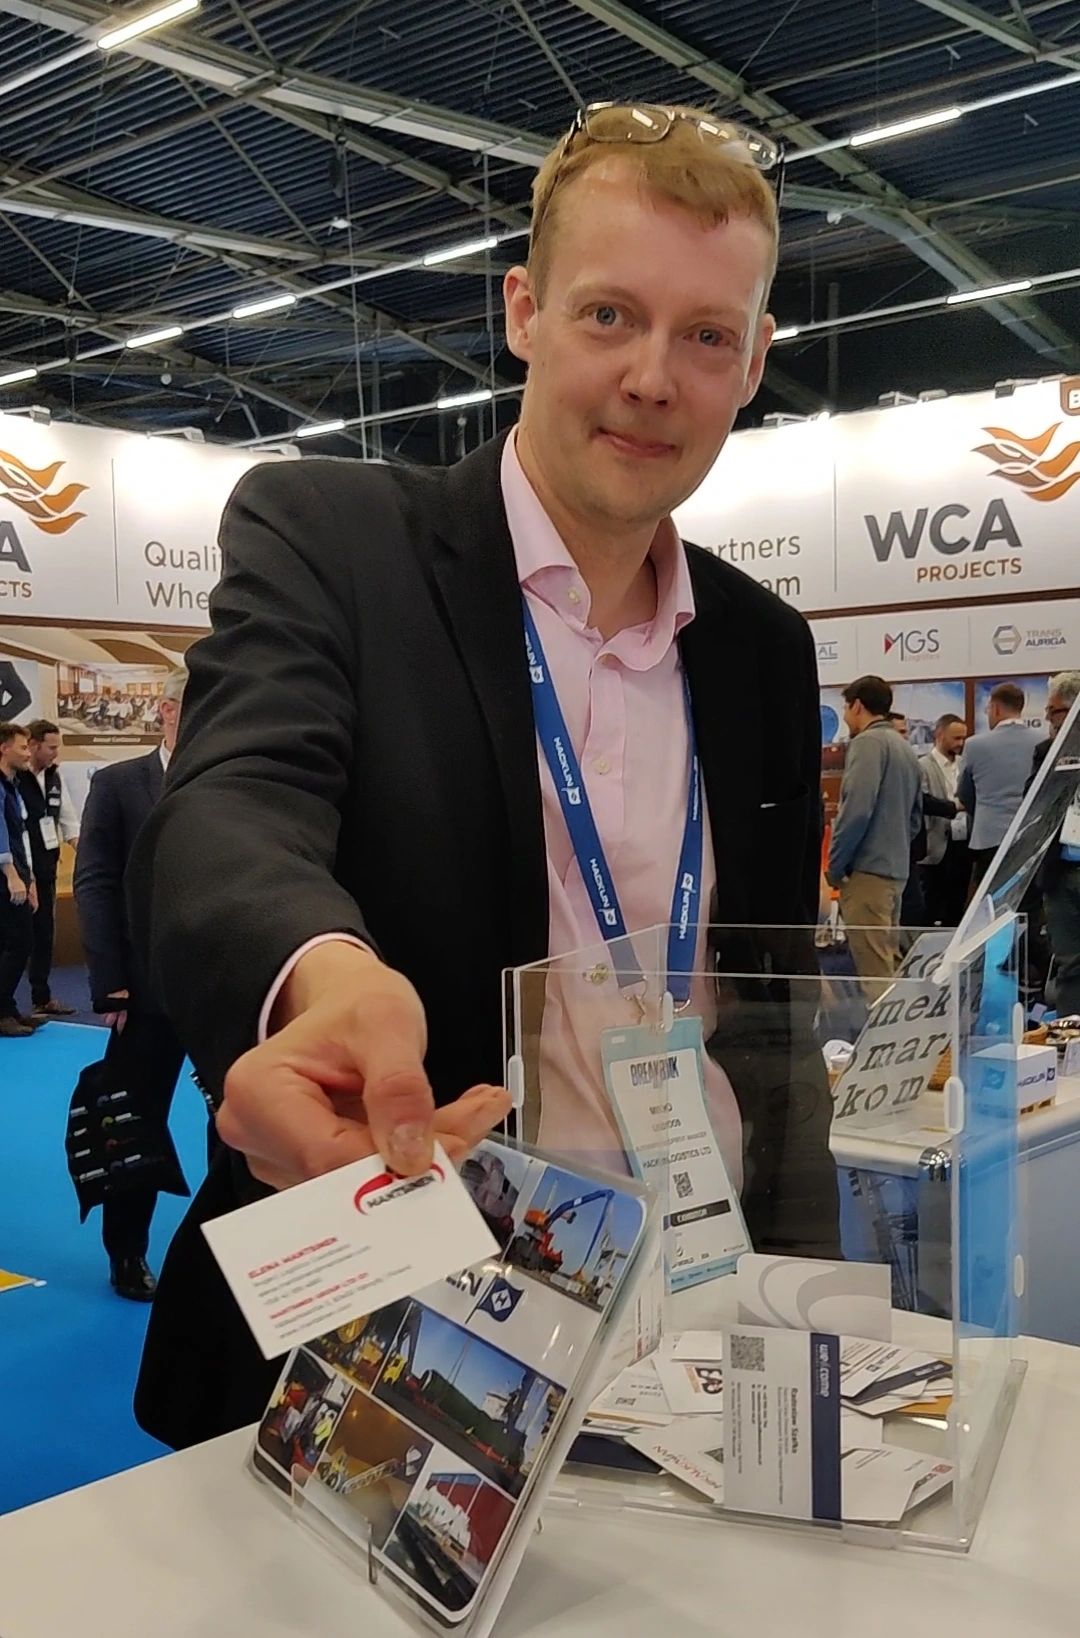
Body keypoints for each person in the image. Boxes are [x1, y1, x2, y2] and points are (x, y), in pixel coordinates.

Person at [127, 100, 837, 1451]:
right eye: (610, 315)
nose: (653, 378)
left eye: (706, 335)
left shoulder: (763, 645)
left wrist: (807, 1301)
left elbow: (768, 1010)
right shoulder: (333, 538)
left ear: (754, 362)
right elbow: (232, 807)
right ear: (524, 312)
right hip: (406, 1332)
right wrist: (328, 978)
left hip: (700, 1324)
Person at [73, 671, 189, 1301]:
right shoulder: (118, 784)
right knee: (133, 1123)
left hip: (225, 986)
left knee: (240, 1124)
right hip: (142, 991)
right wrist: (110, 982)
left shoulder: (234, 777)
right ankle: (127, 1253)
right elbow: (94, 882)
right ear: (166, 711)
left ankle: (229, 1253)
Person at [827, 677, 921, 997]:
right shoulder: (904, 747)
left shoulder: (868, 743)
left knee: (875, 974)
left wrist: (836, 866)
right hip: (895, 871)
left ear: (857, 705)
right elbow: (915, 819)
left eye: (845, 708)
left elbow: (856, 810)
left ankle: (886, 1031)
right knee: (889, 962)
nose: (845, 716)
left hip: (867, 874)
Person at [17, 720, 80, 1019]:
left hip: (46, 869)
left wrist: (86, 852)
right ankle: (6, 1004)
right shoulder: (14, 778)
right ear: (33, 746)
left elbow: (68, 820)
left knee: (44, 934)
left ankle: (41, 997)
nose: (56, 753)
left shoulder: (55, 776)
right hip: (17, 871)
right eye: (51, 747)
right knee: (16, 938)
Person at [958, 683, 1042, 892]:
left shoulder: (974, 745)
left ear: (995, 708)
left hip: (988, 837)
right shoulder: (1043, 741)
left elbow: (965, 793)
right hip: (1031, 836)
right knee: (1028, 899)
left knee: (990, 900)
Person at [1031, 672, 1080, 1016]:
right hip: (1061, 874)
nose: (1048, 719)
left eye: (1054, 711)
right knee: (1070, 966)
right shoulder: (1047, 752)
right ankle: (1072, 1039)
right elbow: (1032, 804)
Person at [0, 722, 44, 1039]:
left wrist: (30, 879)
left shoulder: (12, 786)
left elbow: (20, 836)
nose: (28, 753)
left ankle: (8, 1006)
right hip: (4, 876)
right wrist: (12, 875)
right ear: (4, 749)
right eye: (23, 747)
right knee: (19, 943)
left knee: (12, 943)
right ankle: (1, 1011)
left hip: (17, 873)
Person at [919, 714, 969, 929]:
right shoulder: (922, 766)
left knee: (957, 903)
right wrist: (954, 807)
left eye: (963, 738)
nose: (960, 743)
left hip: (963, 843)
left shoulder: (965, 764)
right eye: (956, 738)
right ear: (939, 735)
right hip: (934, 844)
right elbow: (922, 801)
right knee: (929, 905)